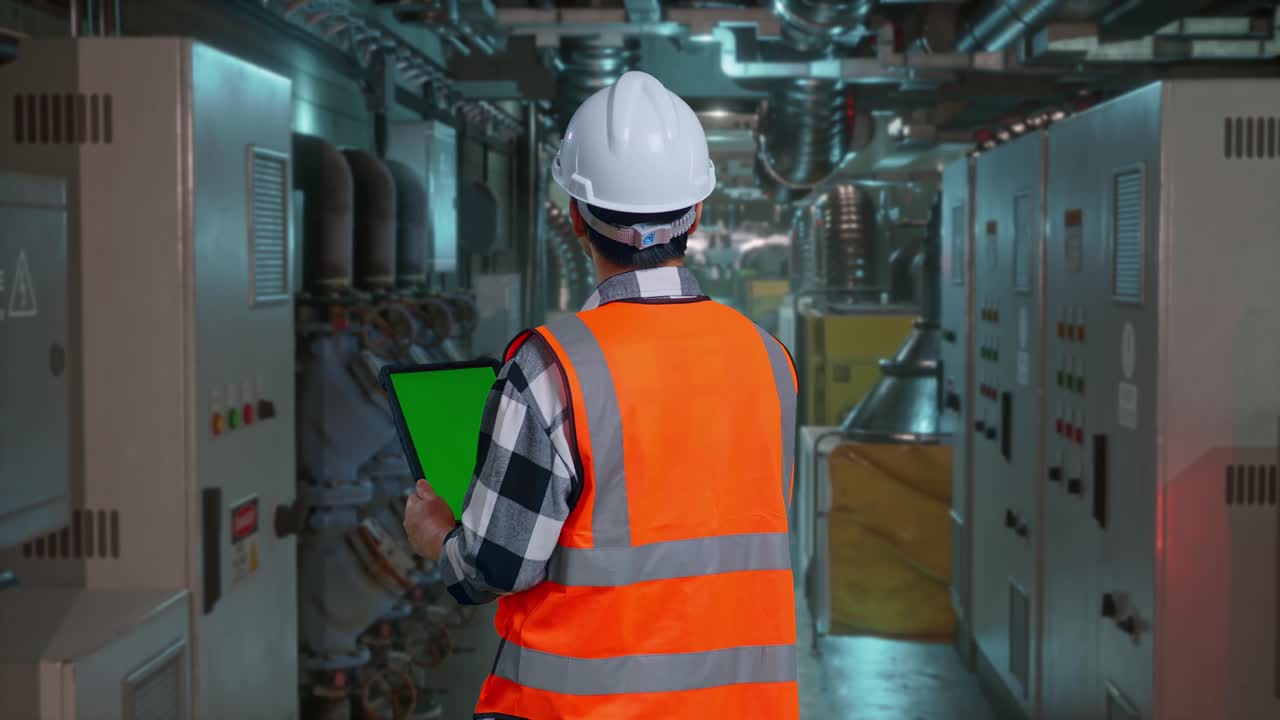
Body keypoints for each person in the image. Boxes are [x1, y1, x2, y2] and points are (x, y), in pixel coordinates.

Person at [403, 70, 799, 719]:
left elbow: (493, 568)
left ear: (577, 219)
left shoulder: (549, 368)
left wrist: (437, 535)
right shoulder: (770, 360)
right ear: (695, 212)